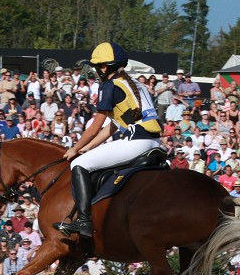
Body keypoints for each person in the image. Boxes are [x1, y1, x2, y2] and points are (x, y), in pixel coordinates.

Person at [53, 42, 162, 238]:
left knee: (78, 165)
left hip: (135, 142)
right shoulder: (136, 84)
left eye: (96, 67)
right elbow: (112, 126)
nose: (95, 71)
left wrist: (75, 150)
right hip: (154, 142)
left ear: (105, 67)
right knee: (85, 158)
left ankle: (84, 222)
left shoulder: (109, 85)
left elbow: (95, 126)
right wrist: (87, 148)